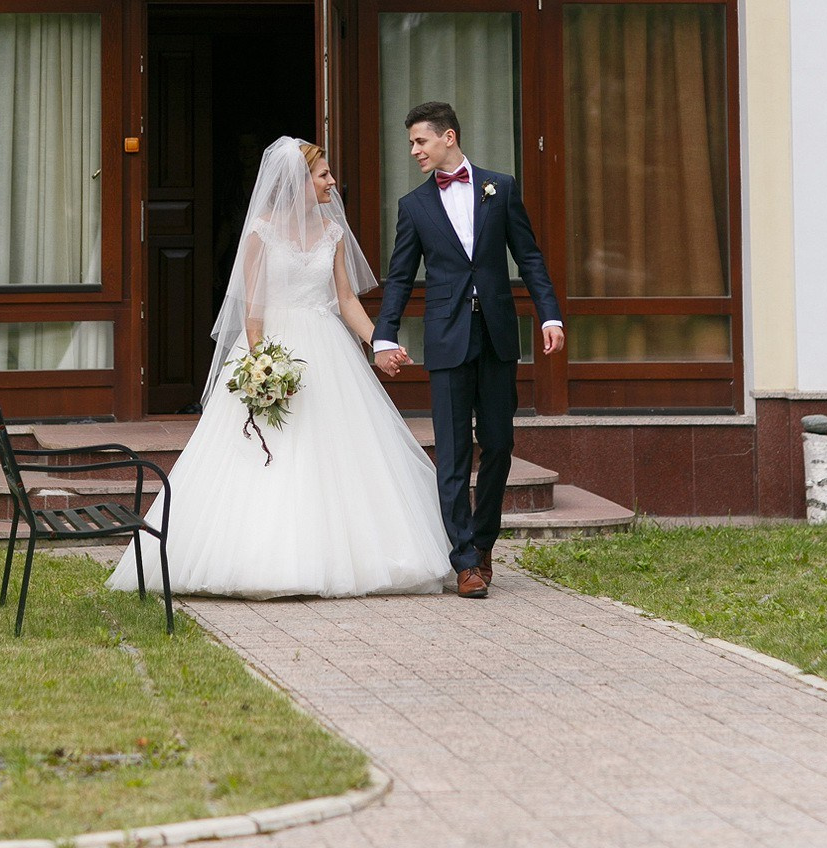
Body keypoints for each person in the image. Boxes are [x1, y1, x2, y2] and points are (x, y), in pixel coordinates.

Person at [109, 135, 451, 599]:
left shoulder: (331, 233)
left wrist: (379, 341)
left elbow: (346, 299)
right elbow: (253, 308)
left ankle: (347, 558)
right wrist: (261, 363)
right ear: (299, 182)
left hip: (327, 348)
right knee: (266, 454)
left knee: (339, 454)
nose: (333, 182)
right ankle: (255, 559)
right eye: (324, 174)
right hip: (274, 348)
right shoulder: (262, 232)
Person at [372, 102, 564, 598]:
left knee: (499, 443)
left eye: (421, 141)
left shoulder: (499, 188)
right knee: (453, 453)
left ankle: (483, 541)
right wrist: (384, 335)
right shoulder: (413, 206)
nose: (414, 150)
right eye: (412, 143)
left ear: (448, 137)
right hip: (446, 337)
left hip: (497, 336)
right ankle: (463, 561)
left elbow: (529, 255)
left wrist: (550, 313)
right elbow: (399, 278)